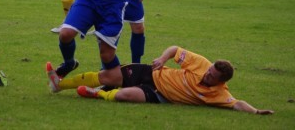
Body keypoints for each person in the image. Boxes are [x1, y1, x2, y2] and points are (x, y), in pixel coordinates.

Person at [46, 46, 274, 115]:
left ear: (220, 81)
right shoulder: (202, 63)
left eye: (211, 76)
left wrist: (255, 112)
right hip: (152, 73)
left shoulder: (219, 94)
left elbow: (237, 103)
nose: (207, 74)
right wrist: (162, 58)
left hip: (158, 95)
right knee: (108, 75)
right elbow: (175, 50)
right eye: (209, 70)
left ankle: (99, 93)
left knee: (125, 96)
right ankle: (60, 84)